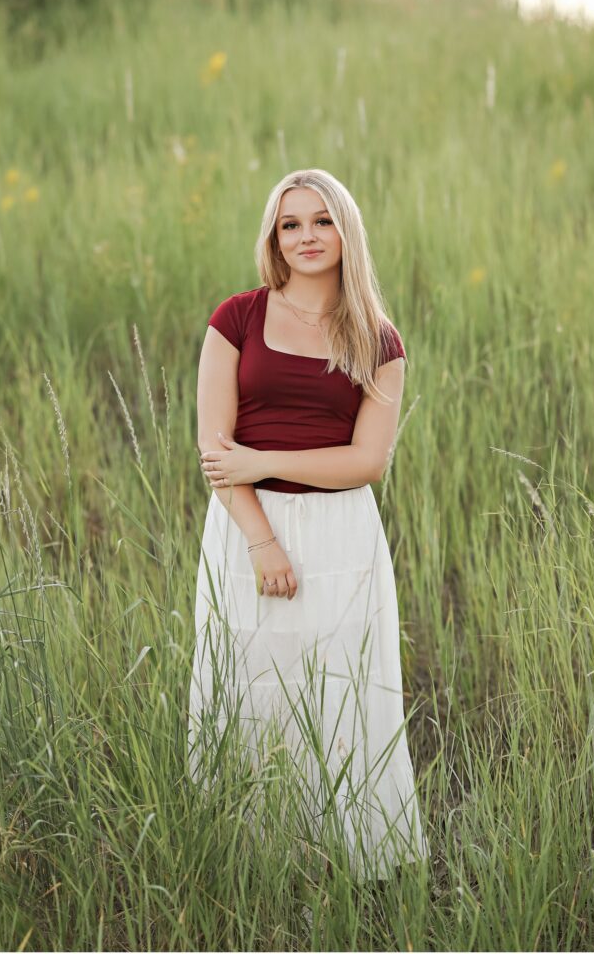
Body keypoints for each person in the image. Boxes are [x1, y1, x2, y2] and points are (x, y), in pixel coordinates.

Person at [188, 168, 430, 882]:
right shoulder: (236, 318)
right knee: (250, 686)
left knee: (340, 693)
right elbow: (215, 452)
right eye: (290, 224)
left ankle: (349, 862)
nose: (307, 237)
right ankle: (250, 865)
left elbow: (368, 461)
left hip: (341, 533)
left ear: (346, 231)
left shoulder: (378, 339)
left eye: (322, 221)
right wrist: (262, 540)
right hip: (244, 526)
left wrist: (264, 458)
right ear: (274, 238)